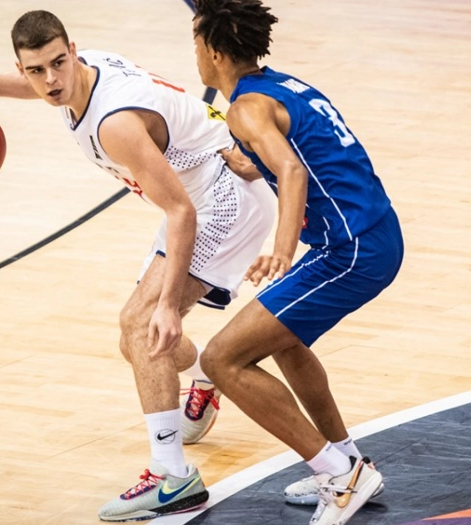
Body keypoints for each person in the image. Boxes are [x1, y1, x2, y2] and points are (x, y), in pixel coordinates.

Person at [0, 10, 275, 522]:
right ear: (22, 68)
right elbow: (41, 88)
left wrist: (168, 306)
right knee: (136, 340)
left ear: (73, 51)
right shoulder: (78, 76)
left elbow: (181, 212)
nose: (50, 80)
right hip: (196, 192)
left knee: (144, 325)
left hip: (223, 198)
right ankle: (203, 378)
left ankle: (172, 476)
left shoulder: (114, 124)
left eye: (57, 64)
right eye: (35, 70)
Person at [191, 1, 404, 524]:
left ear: (214, 52)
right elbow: (302, 152)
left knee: (221, 360)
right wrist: (248, 163)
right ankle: (348, 460)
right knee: (282, 340)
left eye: (195, 42)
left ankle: (339, 477)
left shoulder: (245, 109)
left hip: (351, 250)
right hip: (372, 234)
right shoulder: (282, 86)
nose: (192, 53)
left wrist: (281, 250)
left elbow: (291, 170)